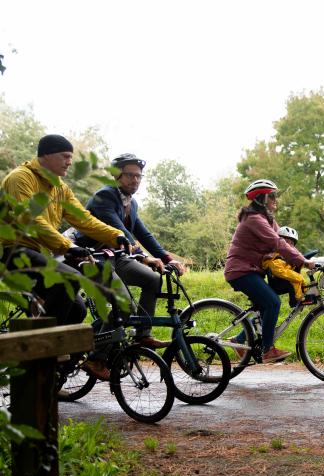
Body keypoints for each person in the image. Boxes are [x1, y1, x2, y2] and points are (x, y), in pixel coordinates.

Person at [0, 135, 129, 379]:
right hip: (11, 251)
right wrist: (66, 245)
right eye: (66, 156)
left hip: (39, 254)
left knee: (77, 309)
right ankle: (44, 348)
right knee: (68, 280)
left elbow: (83, 219)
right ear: (46, 155)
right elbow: (29, 218)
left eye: (71, 157)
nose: (70, 162)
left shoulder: (60, 187)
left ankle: (56, 373)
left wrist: (116, 235)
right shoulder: (21, 178)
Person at [74, 153, 186, 349]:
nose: (135, 180)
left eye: (138, 176)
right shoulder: (104, 197)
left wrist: (167, 258)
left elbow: (144, 234)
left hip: (115, 258)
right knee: (124, 306)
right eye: (129, 175)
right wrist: (143, 257)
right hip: (92, 258)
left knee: (153, 279)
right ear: (116, 175)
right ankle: (97, 358)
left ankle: (143, 335)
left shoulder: (131, 203)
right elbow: (121, 232)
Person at [224, 180, 315, 362]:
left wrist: (303, 258)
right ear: (262, 198)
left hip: (252, 271)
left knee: (265, 306)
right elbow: (277, 243)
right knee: (272, 303)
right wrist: (304, 262)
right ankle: (267, 350)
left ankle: (238, 340)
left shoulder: (266, 219)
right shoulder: (254, 219)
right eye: (272, 195)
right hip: (241, 271)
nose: (275, 199)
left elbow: (283, 240)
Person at [261, 226, 307, 307]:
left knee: (302, 283)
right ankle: (296, 301)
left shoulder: (286, 258)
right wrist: (298, 277)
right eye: (286, 242)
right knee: (296, 280)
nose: (289, 245)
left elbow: (291, 268)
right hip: (277, 283)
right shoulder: (275, 257)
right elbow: (279, 271)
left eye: (292, 243)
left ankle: (302, 298)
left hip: (283, 281)